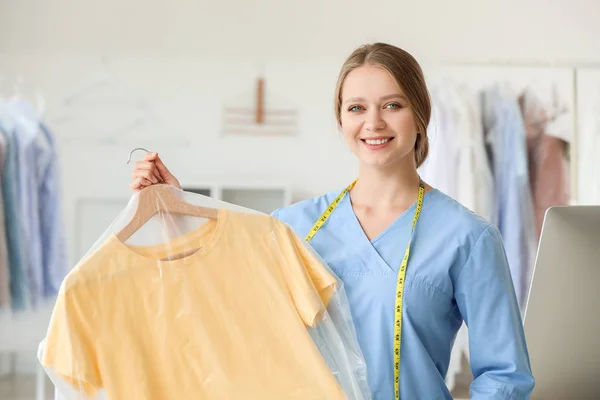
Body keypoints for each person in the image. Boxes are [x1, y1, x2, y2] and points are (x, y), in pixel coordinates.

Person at [130, 42, 535, 400]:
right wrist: (175, 205)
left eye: (392, 105)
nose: (373, 122)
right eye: (356, 107)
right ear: (341, 120)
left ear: (420, 113)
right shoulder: (291, 228)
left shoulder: (468, 238)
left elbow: (503, 376)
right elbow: (219, 297)